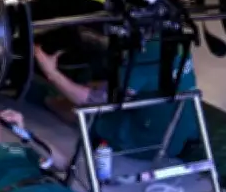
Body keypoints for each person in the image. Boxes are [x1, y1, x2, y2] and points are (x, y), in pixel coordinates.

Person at [33, 41, 198, 160]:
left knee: (70, 107)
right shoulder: (178, 43)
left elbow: (89, 101)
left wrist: (51, 73)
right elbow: (147, 82)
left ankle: (44, 98)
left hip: (149, 145)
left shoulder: (143, 55)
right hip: (180, 134)